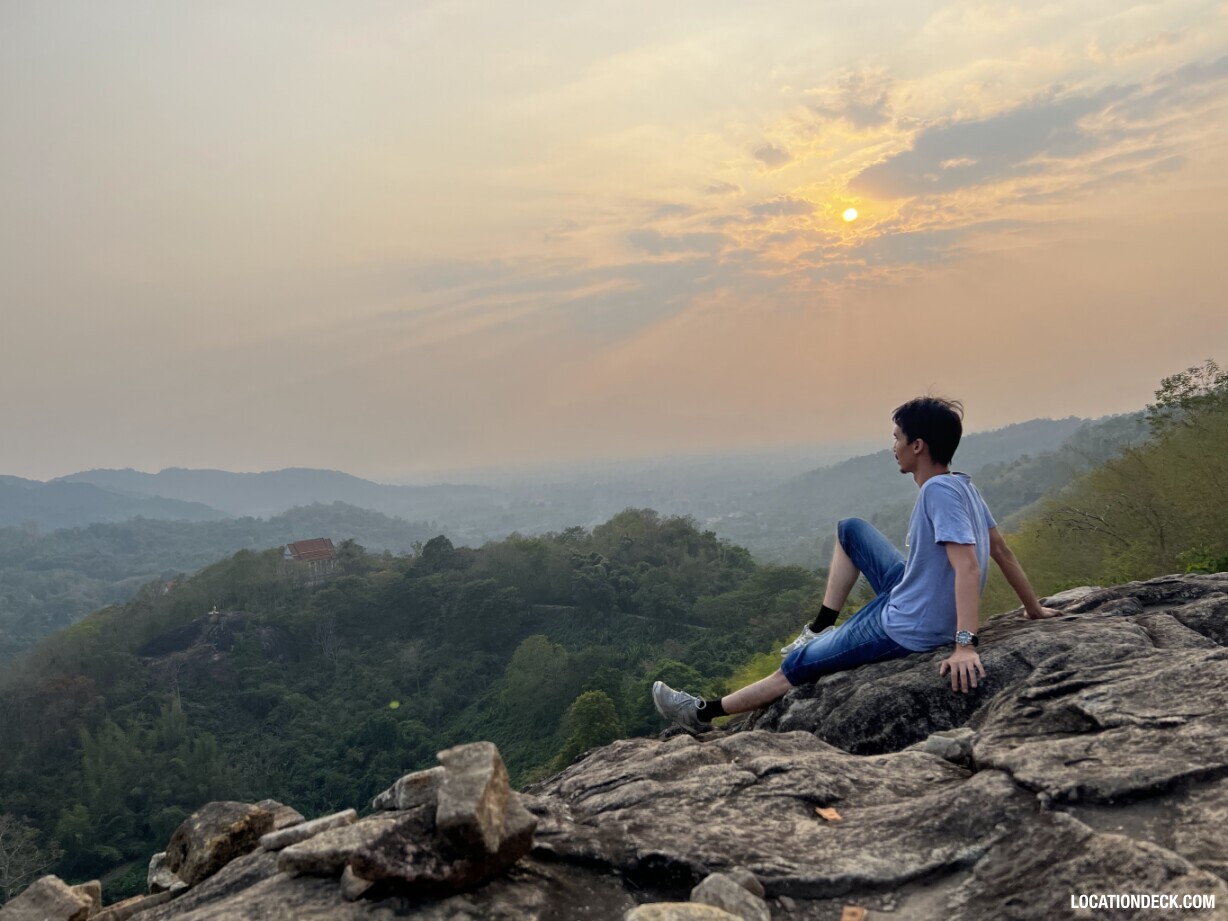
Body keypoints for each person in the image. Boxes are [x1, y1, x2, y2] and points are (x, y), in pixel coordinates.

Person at [653, 396, 1062, 733]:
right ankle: (819, 626)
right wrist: (1033, 608)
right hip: (916, 591)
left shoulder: (937, 492)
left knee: (797, 664)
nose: (894, 447)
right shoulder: (963, 485)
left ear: (918, 445)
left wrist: (964, 645)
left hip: (911, 623)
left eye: (898, 438)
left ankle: (700, 713)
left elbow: (968, 567)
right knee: (851, 530)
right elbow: (1002, 552)